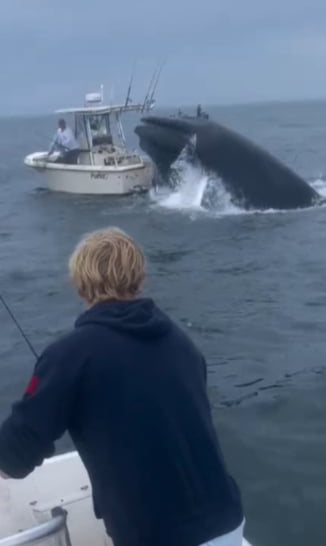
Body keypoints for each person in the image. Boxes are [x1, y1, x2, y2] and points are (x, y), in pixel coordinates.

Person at [0, 227, 245, 546]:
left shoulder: (70, 355)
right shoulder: (179, 340)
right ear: (138, 276)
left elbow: (15, 454)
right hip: (227, 522)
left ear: (79, 282)